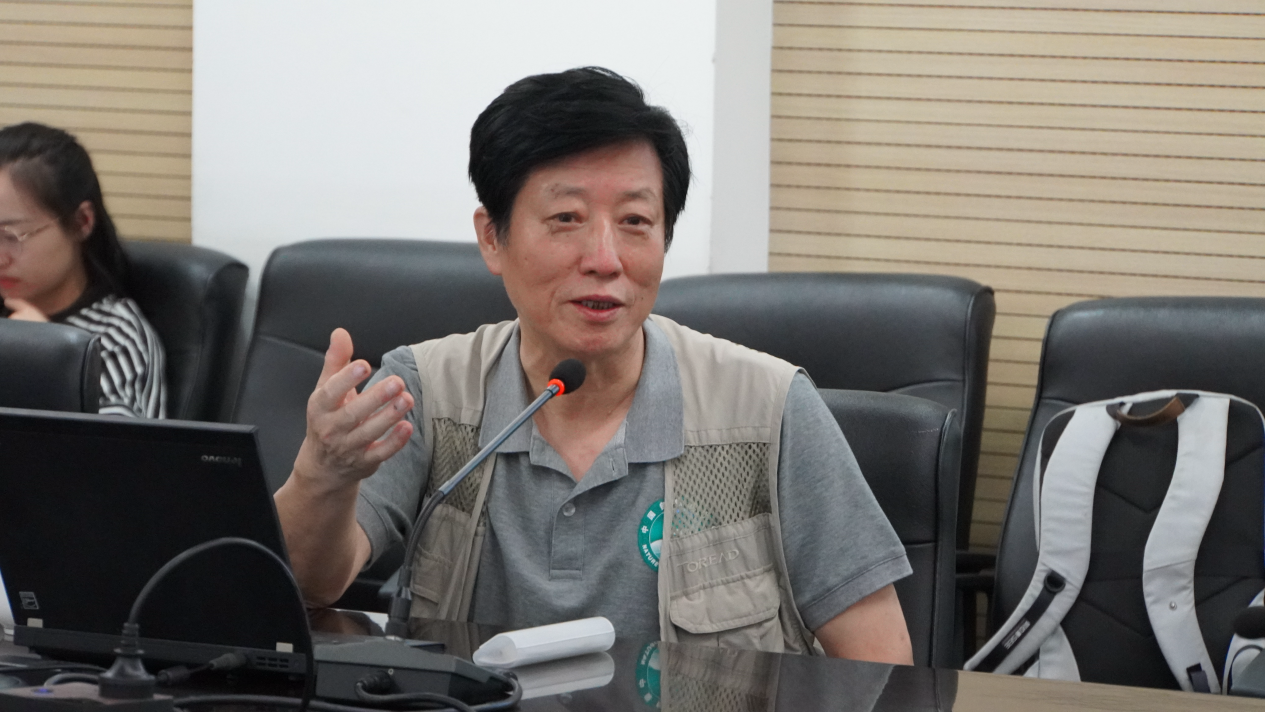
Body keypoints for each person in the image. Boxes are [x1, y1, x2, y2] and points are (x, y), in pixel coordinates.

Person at [275, 67, 913, 663]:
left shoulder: (766, 408)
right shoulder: (428, 391)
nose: (605, 258)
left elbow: (880, 663)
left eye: (635, 220)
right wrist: (322, 473)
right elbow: (307, 588)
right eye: (566, 218)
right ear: (492, 237)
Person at [0, 122, 166, 418]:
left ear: (81, 222)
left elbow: (108, 445)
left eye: (11, 235)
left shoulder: (113, 338)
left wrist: (43, 359)